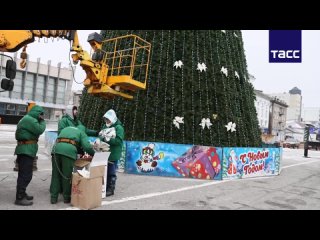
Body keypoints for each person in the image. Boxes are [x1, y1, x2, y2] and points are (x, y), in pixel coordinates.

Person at [50, 126, 95, 204]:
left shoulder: (66, 128)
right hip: (68, 152)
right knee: (67, 176)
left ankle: (53, 198)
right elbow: (87, 147)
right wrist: (94, 154)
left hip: (56, 149)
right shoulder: (81, 132)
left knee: (55, 174)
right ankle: (66, 198)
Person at [14, 105, 46, 206]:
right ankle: (19, 197)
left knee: (23, 174)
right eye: (41, 115)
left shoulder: (27, 118)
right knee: (26, 175)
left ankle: (22, 193)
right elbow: (40, 130)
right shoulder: (30, 119)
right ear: (37, 113)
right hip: (26, 151)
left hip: (26, 150)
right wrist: (43, 121)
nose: (42, 116)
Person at [98, 109, 124, 197]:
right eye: (105, 119)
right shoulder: (105, 126)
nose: (107, 121)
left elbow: (119, 141)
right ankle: (104, 187)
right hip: (105, 152)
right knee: (105, 171)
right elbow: (101, 135)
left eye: (108, 119)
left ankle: (110, 189)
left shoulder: (119, 128)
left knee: (111, 172)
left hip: (113, 153)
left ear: (113, 118)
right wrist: (101, 139)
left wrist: (108, 140)